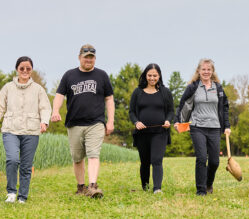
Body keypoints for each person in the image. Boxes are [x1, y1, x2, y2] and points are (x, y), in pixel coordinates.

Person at [51, 44, 114, 198]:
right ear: (80, 57)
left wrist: (110, 121)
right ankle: (81, 187)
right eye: (86, 57)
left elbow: (109, 99)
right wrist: (55, 111)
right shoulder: (69, 75)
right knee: (77, 158)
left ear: (95, 59)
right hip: (74, 123)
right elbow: (59, 95)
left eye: (91, 57)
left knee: (93, 154)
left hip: (96, 122)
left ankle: (93, 186)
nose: (89, 60)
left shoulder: (102, 75)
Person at [174, 59, 231, 196]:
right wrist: (178, 121)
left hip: (215, 127)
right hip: (197, 126)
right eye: (203, 69)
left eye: (208, 69)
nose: (206, 72)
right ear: (198, 71)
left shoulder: (218, 88)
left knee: (214, 161)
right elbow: (182, 105)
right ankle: (201, 190)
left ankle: (208, 183)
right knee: (201, 158)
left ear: (212, 71)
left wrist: (227, 125)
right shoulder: (193, 87)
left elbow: (224, 108)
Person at [0, 56, 52, 203]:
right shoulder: (7, 88)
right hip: (10, 129)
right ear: (17, 69)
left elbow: (45, 108)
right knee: (12, 159)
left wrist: (44, 122)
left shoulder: (38, 90)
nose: (24, 71)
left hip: (31, 131)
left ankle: (22, 196)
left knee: (26, 165)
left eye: (28, 68)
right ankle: (11, 192)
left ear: (31, 70)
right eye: (22, 68)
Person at [129, 63, 174, 194]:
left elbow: (171, 111)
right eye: (149, 75)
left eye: (155, 75)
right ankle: (145, 186)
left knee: (156, 160)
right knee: (145, 162)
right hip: (142, 133)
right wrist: (136, 122)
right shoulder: (137, 92)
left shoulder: (165, 93)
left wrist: (168, 120)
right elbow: (131, 112)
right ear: (145, 76)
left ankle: (157, 188)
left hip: (160, 133)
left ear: (159, 76)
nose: (152, 78)